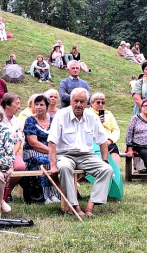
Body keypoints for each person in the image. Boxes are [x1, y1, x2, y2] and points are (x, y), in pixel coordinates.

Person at [48, 88, 113, 216]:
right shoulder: (61, 115)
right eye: (75, 101)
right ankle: (75, 207)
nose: (78, 104)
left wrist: (105, 160)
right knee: (65, 167)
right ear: (70, 101)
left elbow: (102, 141)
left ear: (87, 102)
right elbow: (52, 142)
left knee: (107, 169)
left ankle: (90, 206)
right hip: (65, 155)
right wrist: (53, 165)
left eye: (82, 101)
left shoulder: (92, 116)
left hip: (86, 155)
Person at [23, 94, 61, 204]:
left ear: (47, 106)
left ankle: (55, 193)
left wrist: (55, 151)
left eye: (42, 105)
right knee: (46, 160)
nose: (39, 107)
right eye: (37, 104)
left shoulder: (54, 120)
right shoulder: (30, 120)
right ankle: (45, 195)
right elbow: (33, 143)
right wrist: (51, 151)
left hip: (51, 150)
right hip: (32, 151)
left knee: (61, 161)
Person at [1, 93, 25, 202]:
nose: (19, 107)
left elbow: (18, 141)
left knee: (20, 166)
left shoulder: (17, 121)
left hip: (13, 151)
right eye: (17, 104)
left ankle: (7, 191)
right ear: (7, 105)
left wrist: (12, 154)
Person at [90, 92, 121, 166]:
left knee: (114, 151)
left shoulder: (108, 114)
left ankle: (115, 173)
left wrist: (110, 140)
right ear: (91, 103)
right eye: (98, 102)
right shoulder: (88, 113)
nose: (100, 104)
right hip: (94, 142)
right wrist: (98, 123)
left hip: (107, 140)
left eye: (103, 102)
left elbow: (116, 130)